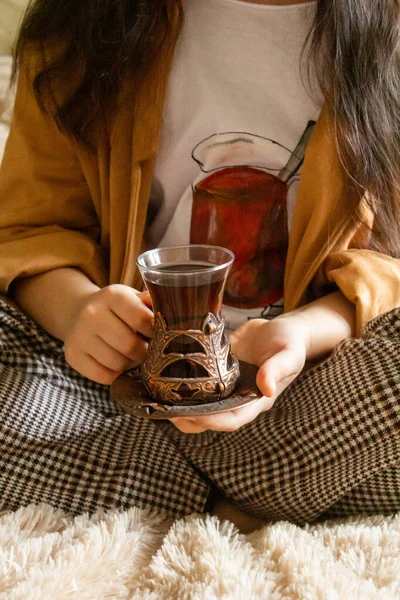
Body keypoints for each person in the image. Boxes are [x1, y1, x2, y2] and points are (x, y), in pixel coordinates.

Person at [0, 0, 399, 529]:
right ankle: (264, 490)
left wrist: (302, 333)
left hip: (315, 386)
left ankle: (147, 484)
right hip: (111, 388)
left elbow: (387, 266)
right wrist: (77, 311)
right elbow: (30, 229)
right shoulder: (81, 21)